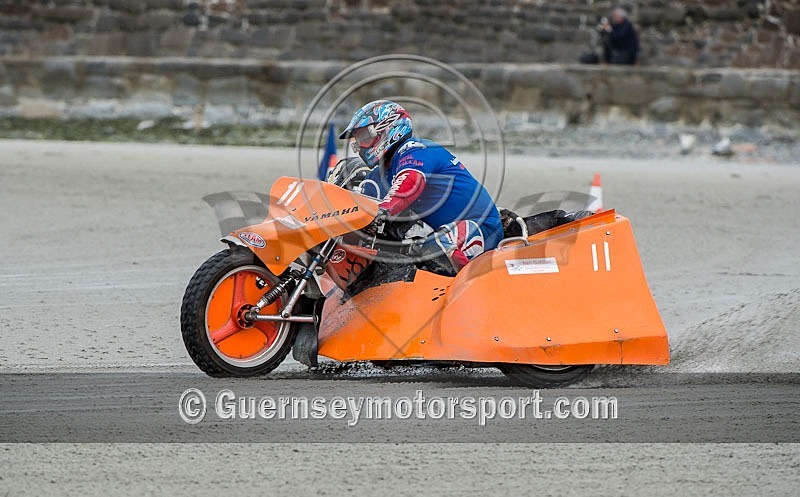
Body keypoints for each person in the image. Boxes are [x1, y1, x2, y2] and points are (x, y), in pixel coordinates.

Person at [339, 100, 503, 276]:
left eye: (364, 137)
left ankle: (466, 295)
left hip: (481, 227)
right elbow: (360, 204)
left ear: (387, 128)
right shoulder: (380, 174)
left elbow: (410, 183)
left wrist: (382, 212)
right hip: (444, 230)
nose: (360, 147)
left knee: (432, 250)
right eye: (357, 142)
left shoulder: (415, 149)